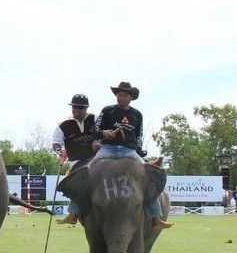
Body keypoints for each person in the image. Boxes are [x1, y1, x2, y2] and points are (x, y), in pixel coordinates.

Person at [87, 81, 174, 230]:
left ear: (131, 97)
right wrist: (103, 133)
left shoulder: (137, 114)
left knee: (149, 176)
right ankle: (74, 212)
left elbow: (139, 135)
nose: (120, 97)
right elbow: (93, 130)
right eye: (118, 94)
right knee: (85, 171)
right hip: (108, 149)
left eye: (124, 95)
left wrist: (140, 152)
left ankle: (155, 217)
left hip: (129, 151)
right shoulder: (107, 110)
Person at [51, 94, 98, 225]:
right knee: (77, 183)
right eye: (74, 107)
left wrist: (99, 141)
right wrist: (60, 152)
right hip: (76, 162)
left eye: (80, 107)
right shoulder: (63, 125)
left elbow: (104, 133)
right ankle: (73, 214)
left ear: (86, 108)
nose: (76, 110)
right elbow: (56, 143)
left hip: (97, 158)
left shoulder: (96, 119)